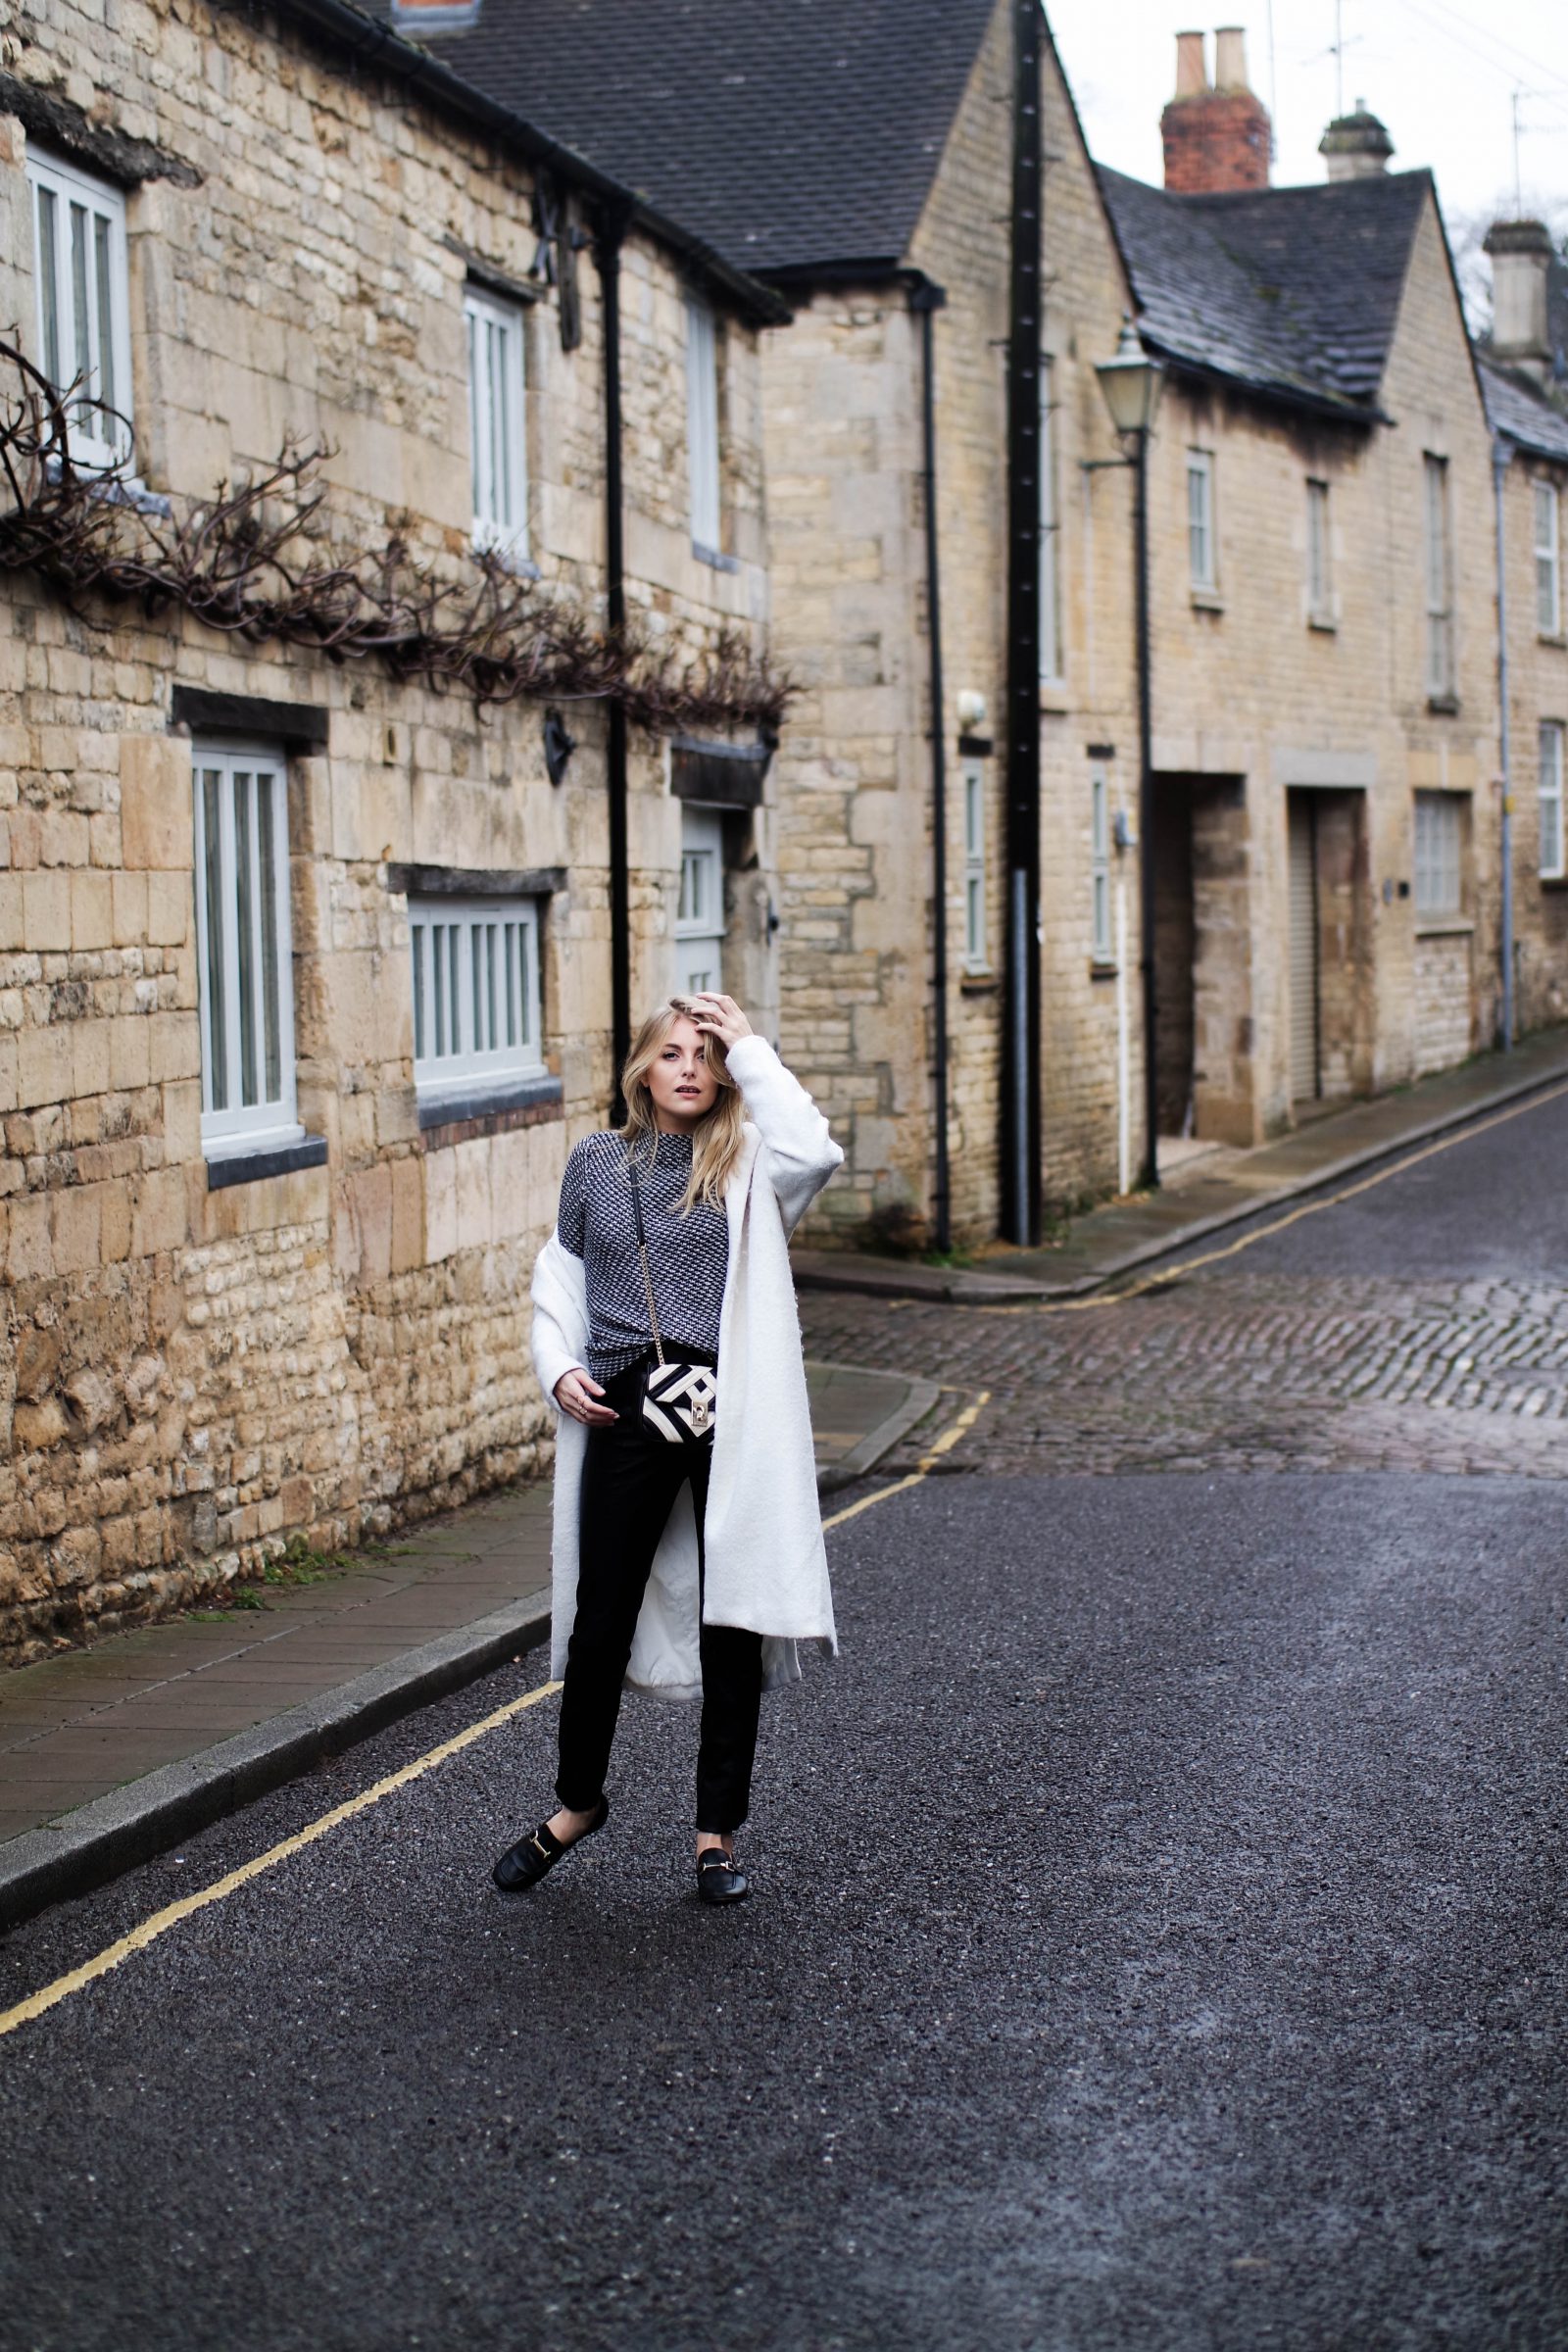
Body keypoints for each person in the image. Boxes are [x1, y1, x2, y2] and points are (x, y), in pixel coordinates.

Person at [493, 992, 843, 1905]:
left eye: (707, 1055)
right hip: (625, 1404)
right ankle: (575, 1805)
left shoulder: (752, 1161)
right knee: (598, 1614)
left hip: (732, 1408)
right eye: (674, 1053)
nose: (691, 1068)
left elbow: (818, 1148)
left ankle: (715, 1834)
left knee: (731, 1619)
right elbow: (559, 1281)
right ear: (642, 1068)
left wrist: (753, 1046)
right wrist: (558, 1368)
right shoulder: (595, 1163)